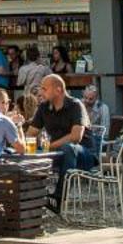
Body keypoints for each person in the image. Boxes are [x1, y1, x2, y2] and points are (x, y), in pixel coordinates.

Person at [31, 75, 94, 211]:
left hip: (84, 155)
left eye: (44, 88)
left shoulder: (76, 105)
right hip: (57, 154)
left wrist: (48, 147)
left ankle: (58, 198)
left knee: (68, 148)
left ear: (58, 90)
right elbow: (30, 134)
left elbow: (76, 137)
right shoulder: (43, 108)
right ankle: (32, 200)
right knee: (30, 156)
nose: (41, 92)